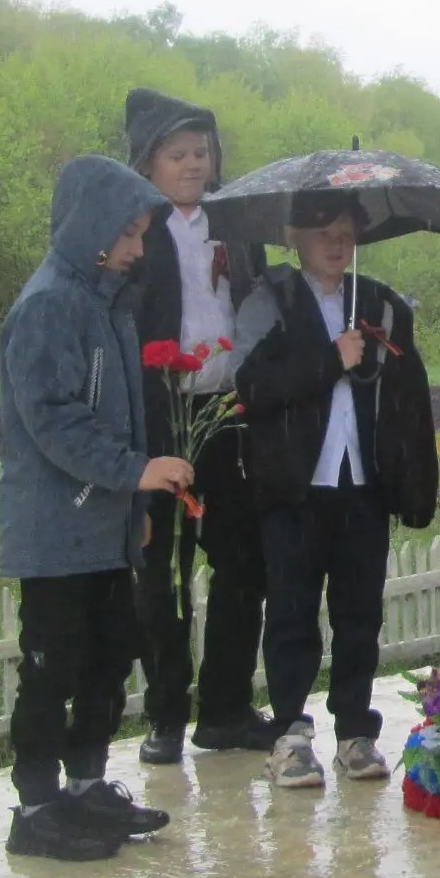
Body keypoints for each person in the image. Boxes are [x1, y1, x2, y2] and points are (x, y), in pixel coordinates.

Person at [0, 154, 192, 862]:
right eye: (129, 233)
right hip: (55, 533)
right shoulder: (49, 306)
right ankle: (36, 809)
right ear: (92, 229)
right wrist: (136, 472)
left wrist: (132, 505)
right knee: (53, 669)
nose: (139, 248)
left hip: (104, 526)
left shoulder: (106, 304)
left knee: (109, 657)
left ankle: (85, 787)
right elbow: (54, 421)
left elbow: (121, 412)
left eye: (141, 234)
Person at [233, 195, 438, 789]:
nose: (336, 244)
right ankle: (290, 735)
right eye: (323, 232)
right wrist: (332, 359)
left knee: (359, 613)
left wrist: (412, 480)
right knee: (291, 612)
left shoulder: (380, 305)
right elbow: (252, 388)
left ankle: (355, 732)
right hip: (294, 487)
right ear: (294, 236)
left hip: (361, 486)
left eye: (346, 233)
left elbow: (409, 395)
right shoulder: (269, 302)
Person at [123, 87, 273, 763]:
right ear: (149, 164)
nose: (192, 165)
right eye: (177, 155)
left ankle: (226, 709)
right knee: (160, 569)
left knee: (242, 559)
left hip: (227, 414)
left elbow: (256, 304)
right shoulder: (137, 230)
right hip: (159, 417)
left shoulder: (236, 225)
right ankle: (164, 714)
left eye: (200, 153)